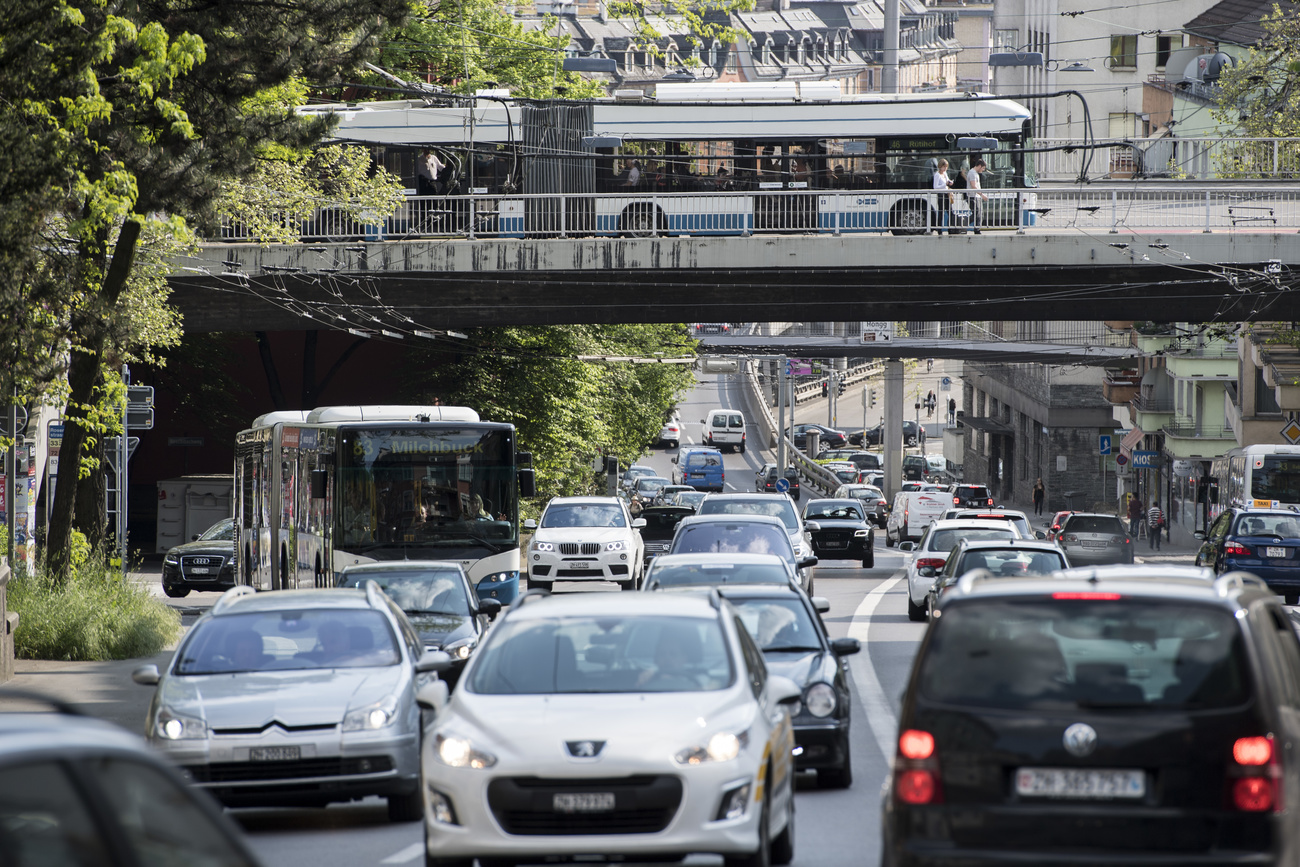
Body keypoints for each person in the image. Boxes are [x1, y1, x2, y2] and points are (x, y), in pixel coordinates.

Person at [965, 158, 988, 234]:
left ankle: (975, 228)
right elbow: (973, 186)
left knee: (980, 214)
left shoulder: (975, 173)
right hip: (972, 196)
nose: (983, 170)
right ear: (979, 166)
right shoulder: (972, 173)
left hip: (976, 196)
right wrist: (982, 195)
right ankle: (976, 230)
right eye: (983, 168)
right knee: (977, 214)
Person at [932, 158, 954, 234]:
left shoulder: (945, 174)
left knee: (950, 211)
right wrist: (945, 184)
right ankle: (939, 229)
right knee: (941, 212)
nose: (945, 168)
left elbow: (947, 181)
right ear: (940, 166)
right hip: (941, 194)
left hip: (947, 194)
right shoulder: (937, 175)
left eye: (946, 167)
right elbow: (935, 187)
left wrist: (950, 182)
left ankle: (950, 228)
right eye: (944, 167)